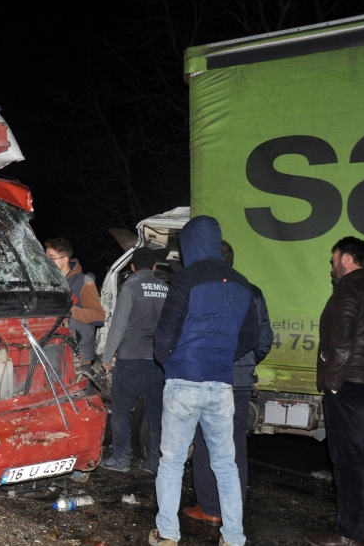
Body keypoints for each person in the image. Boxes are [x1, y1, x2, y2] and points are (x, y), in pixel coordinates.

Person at [149, 216, 259, 546]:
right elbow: (251, 336)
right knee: (226, 464)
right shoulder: (242, 283)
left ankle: (168, 534)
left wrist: (171, 359)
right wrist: (222, 355)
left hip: (184, 380)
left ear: (190, 243)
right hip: (221, 384)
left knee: (171, 461)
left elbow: (165, 333)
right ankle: (234, 537)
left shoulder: (186, 279)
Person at [304, 237, 364, 546]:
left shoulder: (348, 289)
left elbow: (341, 341)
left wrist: (332, 384)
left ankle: (347, 534)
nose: (331, 266)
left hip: (351, 385)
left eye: (333, 260)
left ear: (345, 257)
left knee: (348, 461)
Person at [183, 240, 273, 526]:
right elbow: (264, 339)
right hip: (240, 380)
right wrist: (245, 363)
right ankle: (233, 510)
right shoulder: (252, 291)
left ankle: (210, 508)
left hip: (209, 378)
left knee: (206, 443)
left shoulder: (201, 291)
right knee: (236, 446)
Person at [99, 246, 167, 475]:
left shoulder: (130, 287)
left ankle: (121, 459)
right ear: (155, 267)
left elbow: (118, 326)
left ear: (132, 266)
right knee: (156, 413)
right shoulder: (166, 289)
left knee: (119, 412)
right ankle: (154, 462)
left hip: (131, 359)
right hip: (158, 362)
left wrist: (107, 357)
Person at [45, 238, 105, 365]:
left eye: (51, 258)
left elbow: (99, 317)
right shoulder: (46, 284)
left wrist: (69, 309)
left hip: (78, 354)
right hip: (52, 351)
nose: (46, 262)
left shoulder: (83, 282)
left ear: (65, 259)